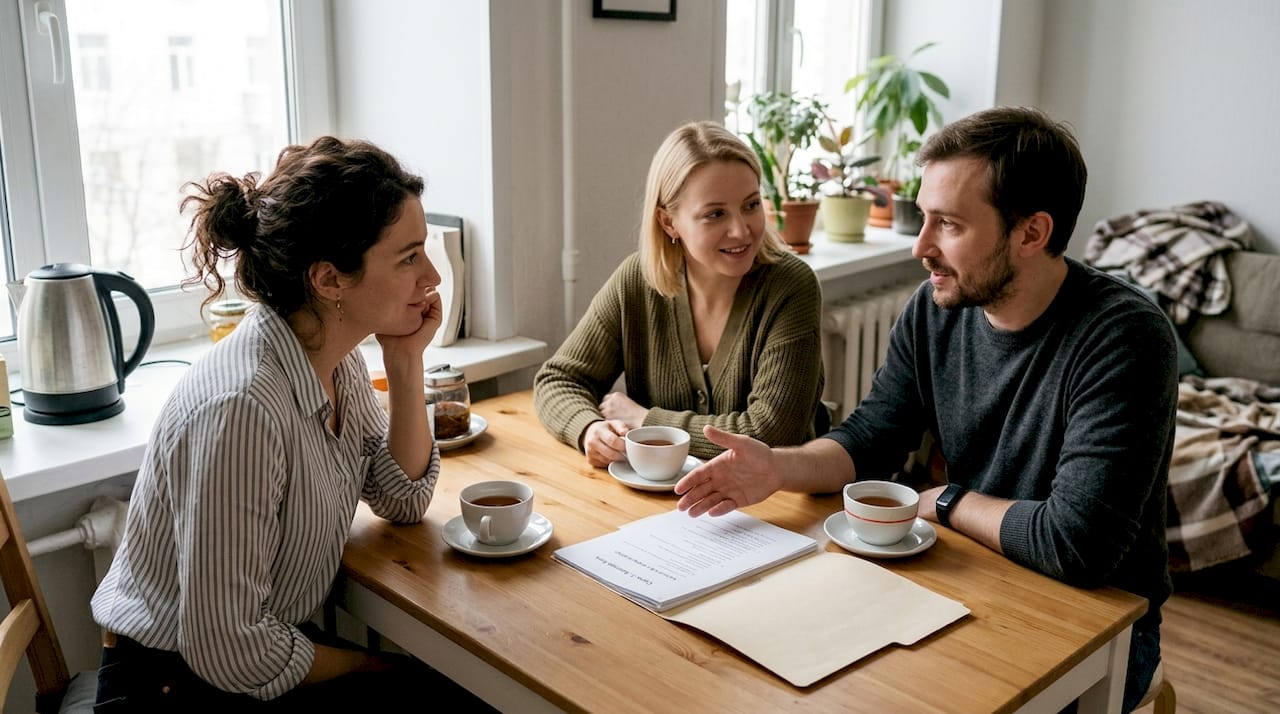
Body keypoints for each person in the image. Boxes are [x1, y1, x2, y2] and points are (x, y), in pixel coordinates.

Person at [674, 106, 1176, 713]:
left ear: (1031, 233)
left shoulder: (1125, 337)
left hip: (1100, 626)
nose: (921, 246)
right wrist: (779, 469)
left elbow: (1077, 545)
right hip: (973, 580)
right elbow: (871, 437)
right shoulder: (934, 309)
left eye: (949, 225)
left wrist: (942, 501)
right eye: (923, 217)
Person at [90, 137, 482, 710]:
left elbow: (401, 497)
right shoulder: (244, 409)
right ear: (329, 280)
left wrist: (405, 361)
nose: (431, 277)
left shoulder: (333, 358)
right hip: (174, 688)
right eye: (408, 258)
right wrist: (373, 665)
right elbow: (229, 648)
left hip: (243, 658)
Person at [534, 120, 826, 467]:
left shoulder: (791, 286)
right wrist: (589, 429)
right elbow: (558, 379)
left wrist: (645, 421)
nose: (741, 230)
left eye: (750, 205)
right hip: (659, 495)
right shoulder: (636, 280)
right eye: (715, 214)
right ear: (668, 222)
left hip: (776, 499)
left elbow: (771, 432)